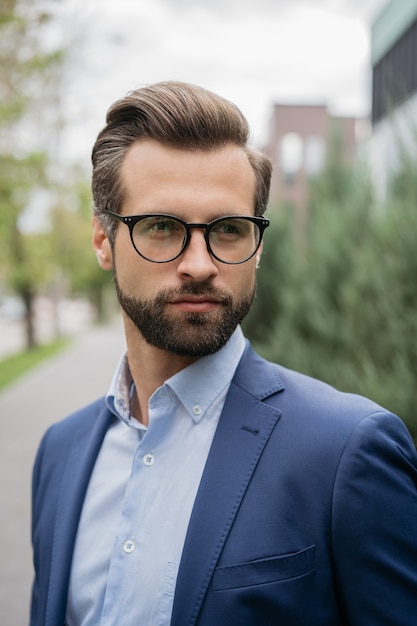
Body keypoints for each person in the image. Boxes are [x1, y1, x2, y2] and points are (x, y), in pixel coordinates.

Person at [30, 81, 417, 626]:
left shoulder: (346, 453)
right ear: (102, 240)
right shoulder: (60, 452)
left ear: (256, 246)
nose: (199, 264)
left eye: (229, 230)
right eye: (161, 227)